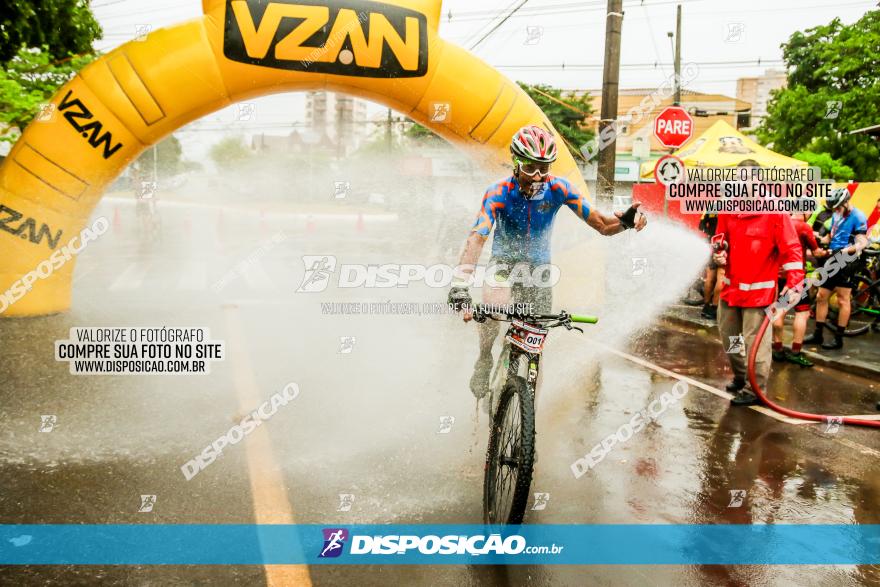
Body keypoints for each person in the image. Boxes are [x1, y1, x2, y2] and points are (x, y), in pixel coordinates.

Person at [448, 125, 647, 398]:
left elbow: (601, 224)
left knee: (535, 356)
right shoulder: (498, 192)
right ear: (516, 164)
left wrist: (625, 222)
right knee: (494, 305)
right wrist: (460, 285)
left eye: (545, 167)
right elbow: (476, 238)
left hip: (539, 271)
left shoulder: (559, 188)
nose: (539, 176)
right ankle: (484, 357)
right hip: (503, 265)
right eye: (531, 167)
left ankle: (527, 421)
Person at [712, 159, 805, 406]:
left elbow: (792, 249)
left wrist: (795, 282)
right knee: (730, 338)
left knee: (755, 344)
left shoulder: (774, 211)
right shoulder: (728, 208)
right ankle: (742, 377)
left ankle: (755, 389)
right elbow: (720, 239)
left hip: (760, 294)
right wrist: (719, 252)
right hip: (731, 290)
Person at [804, 188, 869, 350]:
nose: (836, 211)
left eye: (839, 207)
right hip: (832, 257)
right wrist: (814, 237)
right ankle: (818, 334)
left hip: (848, 260)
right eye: (834, 209)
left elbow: (862, 243)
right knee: (821, 296)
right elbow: (830, 237)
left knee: (842, 298)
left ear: (846, 202)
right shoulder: (836, 215)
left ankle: (838, 339)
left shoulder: (858, 216)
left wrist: (844, 251)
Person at [771, 212, 828, 367]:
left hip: (777, 275)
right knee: (801, 313)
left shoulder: (779, 223)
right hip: (796, 276)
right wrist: (828, 252)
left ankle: (778, 349)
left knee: (778, 310)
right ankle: (795, 352)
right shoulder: (804, 227)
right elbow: (816, 252)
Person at [698, 212, 722, 320]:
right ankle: (714, 308)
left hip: (711, 244)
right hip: (723, 245)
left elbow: (701, 225)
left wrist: (709, 234)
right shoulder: (734, 206)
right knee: (721, 277)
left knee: (710, 278)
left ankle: (705, 307)